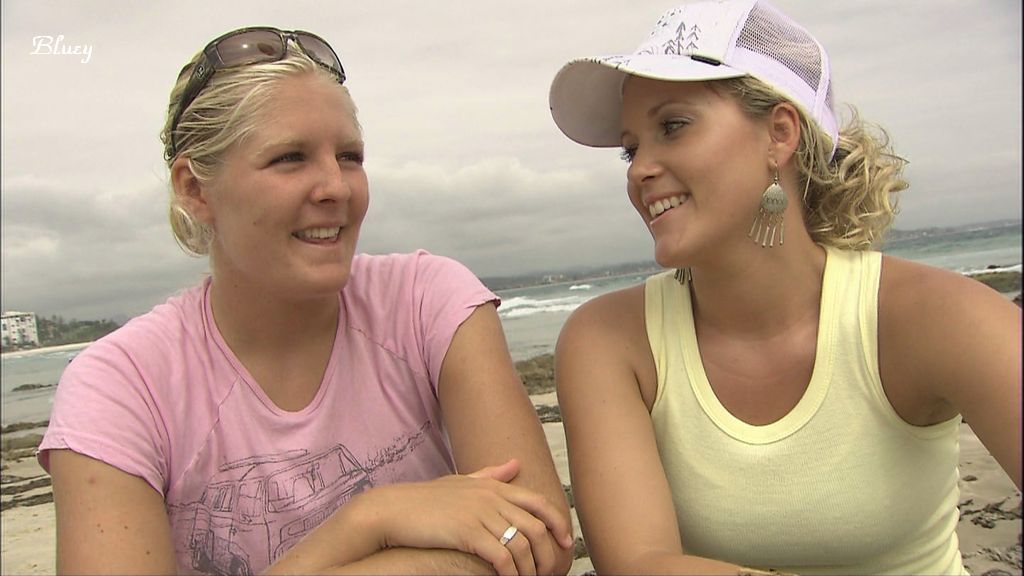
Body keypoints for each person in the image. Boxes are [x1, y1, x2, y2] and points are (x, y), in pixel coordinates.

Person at [38, 27, 574, 575]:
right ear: (195, 190)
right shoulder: (121, 386)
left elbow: (541, 544)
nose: (335, 187)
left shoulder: (426, 301)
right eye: (290, 158)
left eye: (349, 156)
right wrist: (368, 520)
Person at [548, 1, 1022, 574]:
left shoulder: (938, 317)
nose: (638, 169)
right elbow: (640, 563)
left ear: (779, 134)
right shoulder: (609, 339)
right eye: (632, 147)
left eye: (672, 126)